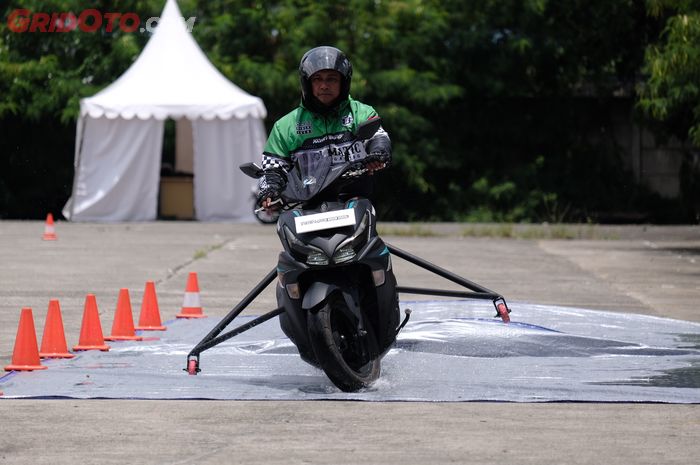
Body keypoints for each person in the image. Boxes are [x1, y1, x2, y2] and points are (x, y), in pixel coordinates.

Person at [257, 46, 391, 209]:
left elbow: (378, 137)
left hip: (354, 202)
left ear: (344, 82)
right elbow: (273, 167)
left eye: (332, 79)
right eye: (317, 79)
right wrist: (270, 189)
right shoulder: (285, 126)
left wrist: (378, 153)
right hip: (306, 206)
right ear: (307, 83)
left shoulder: (361, 113)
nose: (324, 86)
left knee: (372, 236)